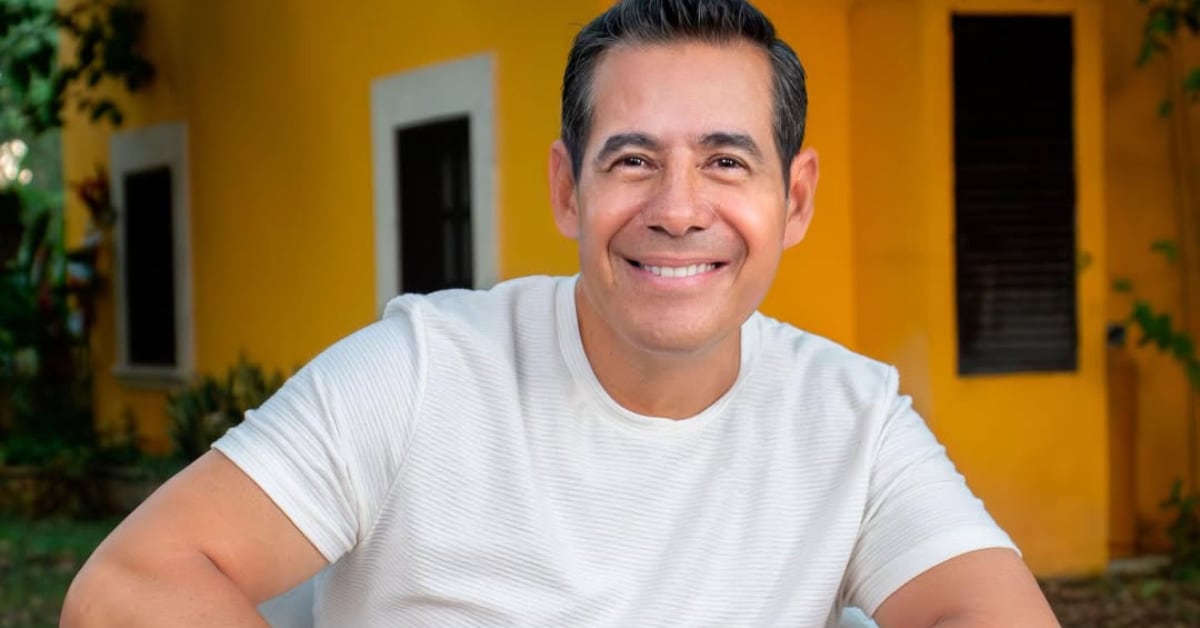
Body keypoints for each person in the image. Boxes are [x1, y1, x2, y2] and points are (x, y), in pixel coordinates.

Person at [62, 0, 1060, 625]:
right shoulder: (421, 371)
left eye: (726, 161)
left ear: (793, 200)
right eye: (632, 160)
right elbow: (128, 586)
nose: (678, 209)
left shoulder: (853, 419)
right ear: (566, 190)